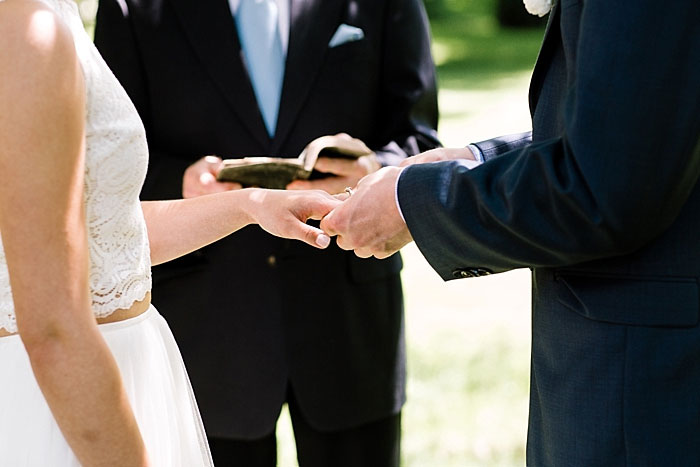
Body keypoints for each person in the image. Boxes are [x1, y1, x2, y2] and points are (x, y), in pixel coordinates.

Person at [321, 1, 700, 465]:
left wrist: (412, 203)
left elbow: (606, 186)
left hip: (642, 397)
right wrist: (474, 160)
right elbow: (636, 126)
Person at [93, 0, 439, 465]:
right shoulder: (133, 6)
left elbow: (420, 140)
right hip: (206, 330)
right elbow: (104, 164)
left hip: (346, 320)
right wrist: (180, 182)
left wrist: (374, 169)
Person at [0, 0, 341, 465]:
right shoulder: (24, 30)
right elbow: (54, 329)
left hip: (112, 376)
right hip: (59, 407)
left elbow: (102, 240)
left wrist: (249, 204)